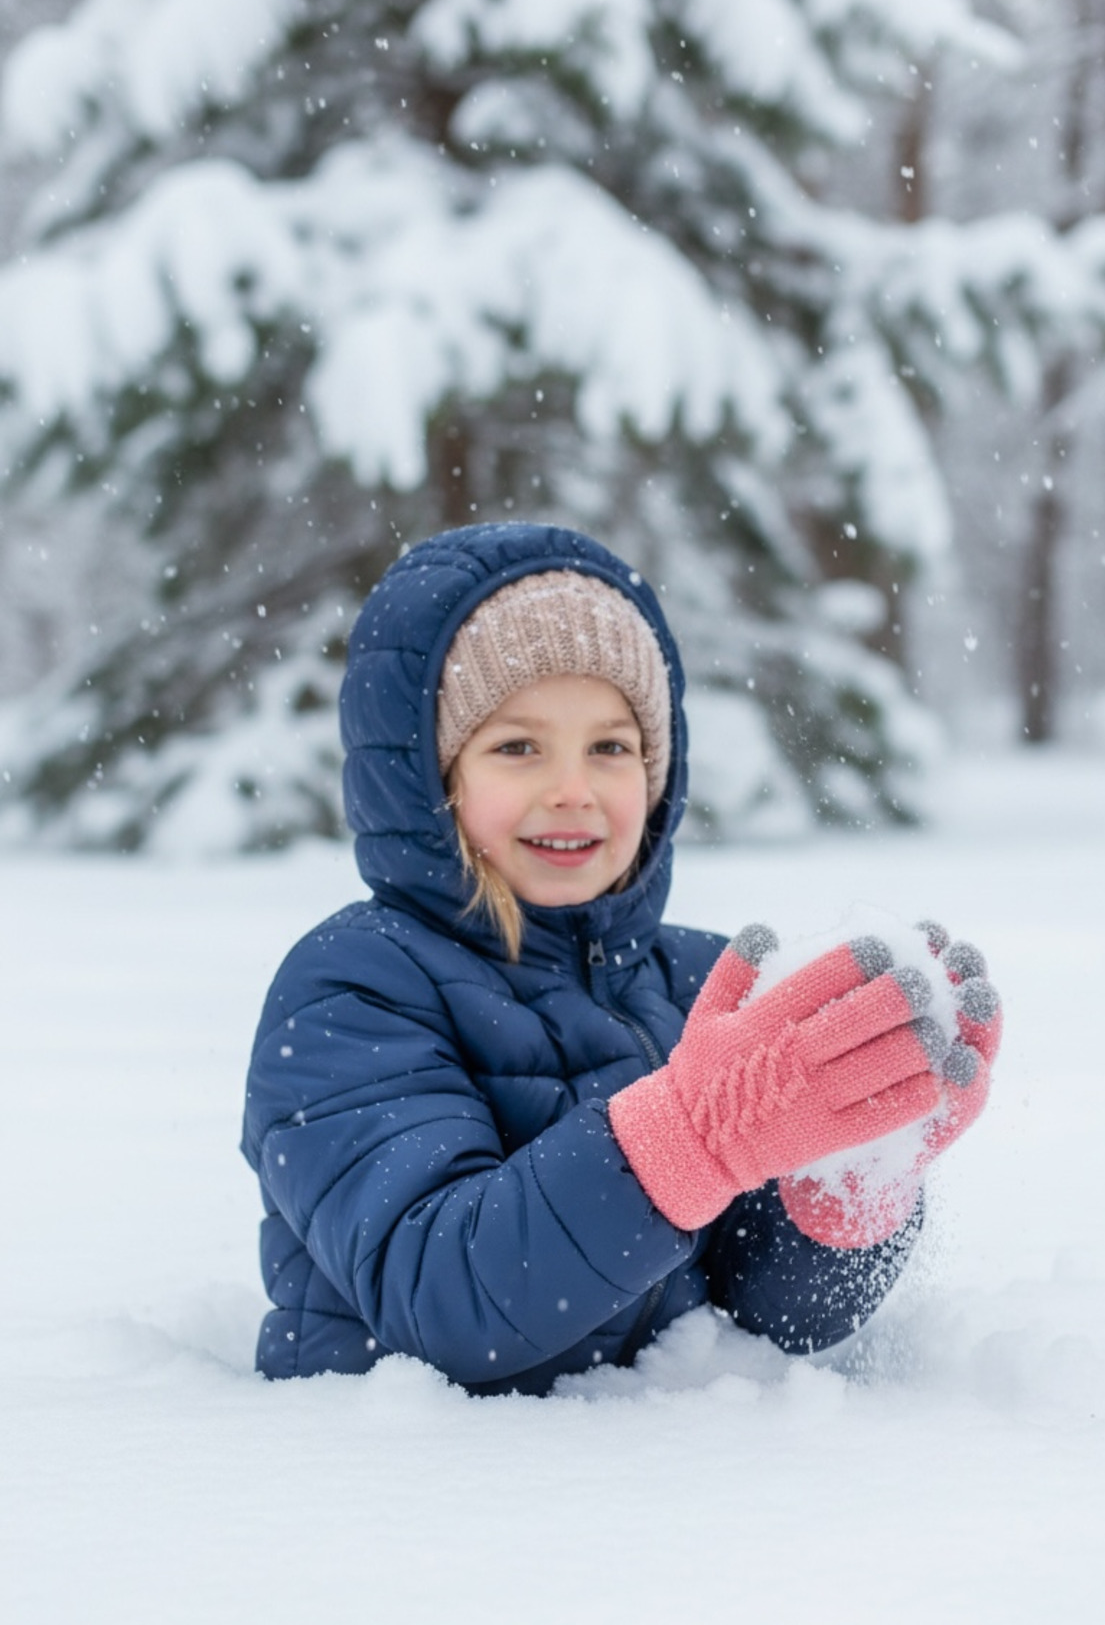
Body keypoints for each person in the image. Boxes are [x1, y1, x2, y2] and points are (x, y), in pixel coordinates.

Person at [241, 521, 1001, 1394]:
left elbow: (764, 1318)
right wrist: (687, 1140)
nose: (573, 790)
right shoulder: (351, 990)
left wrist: (846, 1186)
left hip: (642, 1467)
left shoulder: (694, 982)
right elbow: (444, 1297)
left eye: (610, 747)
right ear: (429, 779)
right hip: (411, 1468)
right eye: (517, 747)